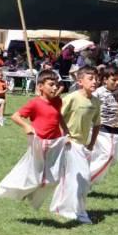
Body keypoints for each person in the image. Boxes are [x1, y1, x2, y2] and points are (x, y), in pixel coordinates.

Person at [0, 70, 71, 215]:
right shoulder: (35, 103)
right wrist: (26, 126)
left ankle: (32, 194)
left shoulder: (58, 101)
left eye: (56, 85)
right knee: (34, 171)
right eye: (51, 85)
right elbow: (16, 116)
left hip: (54, 142)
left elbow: (58, 115)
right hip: (39, 142)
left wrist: (65, 130)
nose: (55, 88)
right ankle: (18, 189)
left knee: (54, 176)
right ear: (40, 87)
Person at [47, 66, 101, 224]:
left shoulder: (96, 101)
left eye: (96, 79)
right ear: (80, 82)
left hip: (83, 145)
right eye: (90, 79)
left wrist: (91, 143)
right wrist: (63, 137)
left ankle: (59, 207)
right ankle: (77, 212)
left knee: (70, 179)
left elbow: (97, 123)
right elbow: (56, 116)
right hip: (70, 144)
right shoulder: (72, 98)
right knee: (82, 178)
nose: (95, 81)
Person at [89, 65, 118, 185]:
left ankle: (87, 176)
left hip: (116, 130)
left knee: (113, 159)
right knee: (108, 155)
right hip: (103, 129)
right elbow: (91, 108)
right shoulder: (98, 92)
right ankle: (86, 179)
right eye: (114, 80)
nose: (117, 82)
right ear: (105, 80)